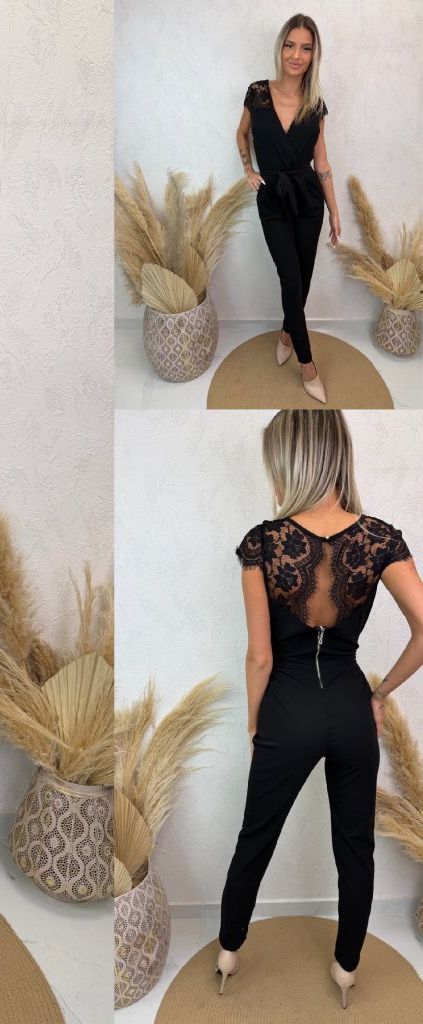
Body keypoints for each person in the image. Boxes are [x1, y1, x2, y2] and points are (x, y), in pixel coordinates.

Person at [216, 409, 423, 1007]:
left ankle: (229, 952)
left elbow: (260, 657)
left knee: (256, 836)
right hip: (351, 704)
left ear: (289, 461)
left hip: (288, 707)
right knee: (355, 845)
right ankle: (347, 968)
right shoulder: (381, 539)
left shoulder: (263, 542)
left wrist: (254, 722)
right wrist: (378, 695)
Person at [236, 14, 340, 404]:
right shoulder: (257, 94)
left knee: (303, 279)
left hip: (309, 200)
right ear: (281, 48)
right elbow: (241, 133)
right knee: (290, 278)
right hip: (273, 199)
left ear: (314, 55)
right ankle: (308, 366)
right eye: (290, 45)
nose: (297, 55)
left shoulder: (315, 105)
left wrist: (334, 211)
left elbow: (322, 164)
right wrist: (249, 169)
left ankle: (286, 332)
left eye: (306, 48)